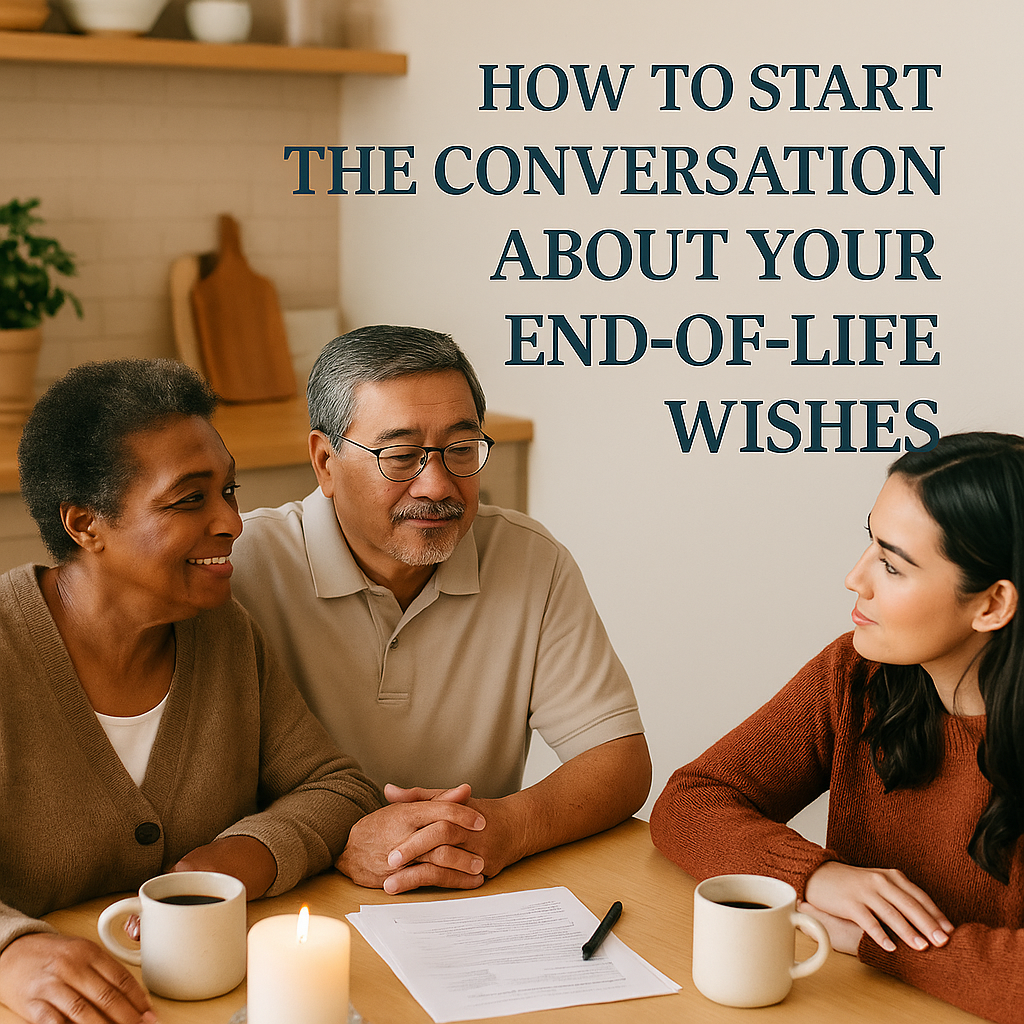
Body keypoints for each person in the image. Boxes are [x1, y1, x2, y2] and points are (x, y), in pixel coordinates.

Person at [0, 359, 384, 1024]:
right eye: (189, 499)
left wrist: (235, 859)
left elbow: (336, 788)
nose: (232, 521)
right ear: (85, 524)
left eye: (228, 491)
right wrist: (10, 953)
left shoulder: (224, 634)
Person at [231, 325, 651, 895]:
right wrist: (334, 838)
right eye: (400, 456)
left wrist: (503, 827)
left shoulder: (531, 559)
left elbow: (619, 762)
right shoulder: (243, 568)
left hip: (475, 900)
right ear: (325, 463)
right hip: (290, 907)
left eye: (459, 450)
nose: (436, 485)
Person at [650, 431, 1024, 1024]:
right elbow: (691, 802)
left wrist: (872, 938)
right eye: (869, 544)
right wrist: (815, 875)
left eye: (893, 566)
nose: (856, 578)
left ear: (992, 605)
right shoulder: (856, 674)